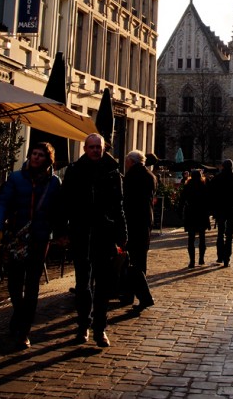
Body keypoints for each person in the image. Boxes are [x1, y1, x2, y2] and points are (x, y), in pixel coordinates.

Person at [0, 141, 61, 350]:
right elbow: (2, 203)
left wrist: (62, 233)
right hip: (17, 237)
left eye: (41, 155)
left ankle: (24, 330)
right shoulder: (16, 178)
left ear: (48, 160)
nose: (36, 157)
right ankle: (19, 313)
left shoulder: (54, 183)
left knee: (32, 285)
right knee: (14, 281)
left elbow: (58, 210)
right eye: (34, 154)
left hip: (40, 238)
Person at [59, 133, 126, 348]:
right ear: (85, 149)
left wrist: (122, 234)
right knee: (82, 284)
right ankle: (82, 326)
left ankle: (100, 328)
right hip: (81, 232)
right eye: (92, 147)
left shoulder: (113, 172)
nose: (96, 150)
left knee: (103, 285)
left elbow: (119, 206)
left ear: (104, 148)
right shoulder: (75, 170)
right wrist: (63, 230)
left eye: (99, 147)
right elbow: (66, 202)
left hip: (104, 233)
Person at [121, 150, 155, 311]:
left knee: (133, 260)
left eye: (127, 161)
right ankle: (128, 294)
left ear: (131, 162)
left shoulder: (132, 176)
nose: (125, 164)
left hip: (133, 222)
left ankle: (144, 297)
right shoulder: (150, 175)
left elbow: (127, 201)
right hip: (145, 221)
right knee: (138, 259)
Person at [208, 158, 233, 268]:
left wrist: (214, 205)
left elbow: (210, 192)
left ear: (223, 166)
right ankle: (227, 258)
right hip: (232, 209)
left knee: (220, 233)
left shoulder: (217, 178)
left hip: (220, 209)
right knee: (229, 235)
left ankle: (220, 256)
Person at [181, 168, 210, 267]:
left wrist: (180, 211)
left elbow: (182, 200)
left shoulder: (187, 186)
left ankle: (192, 261)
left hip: (191, 213)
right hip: (202, 213)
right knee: (202, 237)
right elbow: (208, 201)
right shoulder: (204, 186)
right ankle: (201, 259)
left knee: (191, 238)